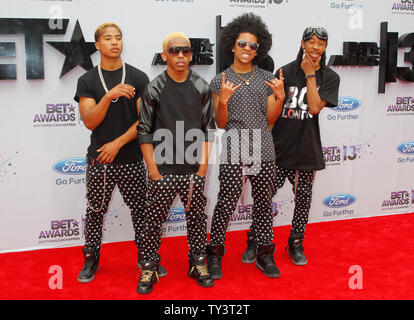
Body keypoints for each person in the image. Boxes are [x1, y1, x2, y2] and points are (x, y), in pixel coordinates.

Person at [74, 22, 167, 283]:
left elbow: (146, 121)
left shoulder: (137, 77)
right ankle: (91, 259)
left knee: (142, 211)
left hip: (131, 158)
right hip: (100, 159)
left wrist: (118, 143)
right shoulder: (88, 80)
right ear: (98, 45)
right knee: (95, 211)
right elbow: (90, 121)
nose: (115, 42)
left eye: (118, 38)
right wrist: (108, 96)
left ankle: (146, 258)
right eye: (108, 38)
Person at [136, 32, 216, 294]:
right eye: (174, 51)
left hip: (194, 170)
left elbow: (208, 130)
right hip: (163, 169)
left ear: (191, 55)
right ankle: (149, 265)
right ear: (164, 55)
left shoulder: (202, 87)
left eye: (185, 51)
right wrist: (154, 170)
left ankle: (197, 263)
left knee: (196, 220)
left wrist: (203, 168)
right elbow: (144, 131)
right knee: (152, 222)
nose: (180, 56)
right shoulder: (154, 88)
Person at [206, 13, 285, 279]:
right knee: (226, 203)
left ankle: (265, 254)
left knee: (263, 203)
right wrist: (224, 100)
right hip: (234, 145)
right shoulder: (220, 81)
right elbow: (219, 123)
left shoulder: (266, 78)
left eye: (253, 45)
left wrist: (280, 97)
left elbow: (271, 118)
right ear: (232, 45)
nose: (247, 49)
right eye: (242, 44)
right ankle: (214, 254)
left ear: (258, 48)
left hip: (263, 145)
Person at [271, 26, 340, 266]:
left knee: (303, 201)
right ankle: (259, 241)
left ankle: (296, 242)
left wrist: (310, 75)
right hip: (278, 148)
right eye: (311, 42)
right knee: (263, 198)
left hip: (305, 150)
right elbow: (272, 110)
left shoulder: (329, 77)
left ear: (325, 47)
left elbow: (313, 108)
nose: (315, 47)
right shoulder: (284, 71)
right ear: (302, 43)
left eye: (320, 43)